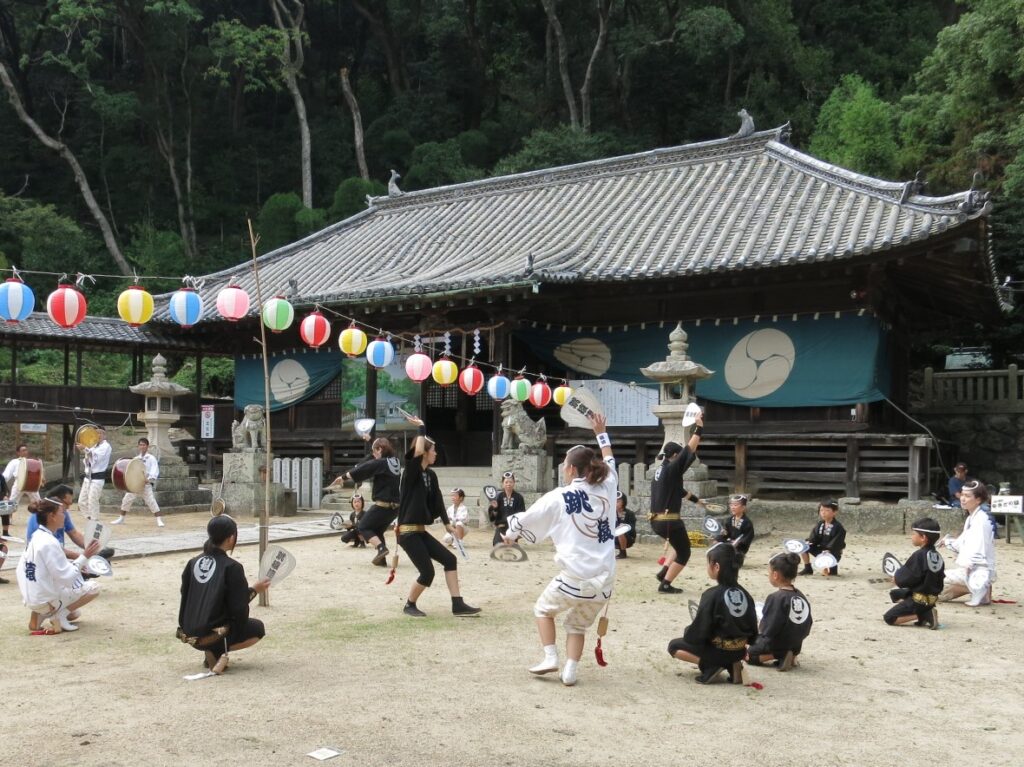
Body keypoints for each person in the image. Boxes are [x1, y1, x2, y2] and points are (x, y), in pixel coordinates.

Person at [503, 414, 617, 687]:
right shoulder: (609, 486)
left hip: (574, 579)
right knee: (577, 625)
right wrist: (601, 432)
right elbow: (610, 460)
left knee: (543, 610)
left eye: (564, 464)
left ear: (570, 469)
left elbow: (526, 518)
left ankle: (551, 656)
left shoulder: (558, 496)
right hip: (604, 581)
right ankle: (570, 671)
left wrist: (509, 535)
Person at [397, 416, 480, 618]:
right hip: (408, 533)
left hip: (420, 532)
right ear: (425, 452)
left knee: (449, 559)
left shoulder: (431, 475)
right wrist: (422, 428)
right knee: (427, 573)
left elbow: (438, 503)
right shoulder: (411, 473)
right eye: (433, 450)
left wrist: (446, 524)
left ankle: (457, 604)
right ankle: (409, 604)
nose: (436, 453)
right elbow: (416, 452)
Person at [177, 516, 271, 674]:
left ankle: (211, 648)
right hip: (212, 635)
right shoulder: (232, 567)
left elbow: (184, 593)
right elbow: (238, 609)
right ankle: (216, 649)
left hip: (188, 631)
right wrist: (254, 590)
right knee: (257, 628)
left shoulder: (193, 562)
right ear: (232, 537)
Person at [667, 543, 757, 684]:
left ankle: (710, 665)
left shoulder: (712, 595)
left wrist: (688, 633)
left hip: (718, 650)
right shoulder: (746, 594)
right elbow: (753, 626)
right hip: (739, 650)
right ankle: (732, 664)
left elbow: (700, 630)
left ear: (716, 567)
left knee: (674, 646)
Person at [15, 497, 101, 633]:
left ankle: (40, 614)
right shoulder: (49, 542)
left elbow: (29, 568)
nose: (65, 515)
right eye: (62, 512)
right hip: (45, 599)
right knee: (94, 588)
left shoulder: (36, 537)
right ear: (52, 516)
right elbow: (66, 577)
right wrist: (84, 556)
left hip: (33, 597)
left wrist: (77, 564)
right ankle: (57, 615)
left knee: (75, 614)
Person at [650, 413, 706, 593]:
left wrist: (697, 501)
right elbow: (688, 451)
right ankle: (665, 584)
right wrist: (699, 427)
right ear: (674, 455)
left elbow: (679, 491)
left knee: (679, 544)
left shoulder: (661, 471)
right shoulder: (673, 467)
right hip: (669, 521)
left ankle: (664, 572)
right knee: (684, 552)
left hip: (656, 521)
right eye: (679, 455)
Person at [747, 552, 812, 670]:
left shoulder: (776, 597)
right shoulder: (800, 595)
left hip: (778, 642)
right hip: (797, 643)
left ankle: (779, 654)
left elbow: (769, 628)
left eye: (769, 573)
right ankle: (792, 655)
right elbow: (808, 622)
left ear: (775, 575)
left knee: (748, 655)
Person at [341, 437, 401, 567]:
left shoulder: (381, 463)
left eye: (374, 452)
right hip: (395, 508)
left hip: (382, 506)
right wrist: (371, 442)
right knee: (377, 531)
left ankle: (381, 549)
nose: (373, 456)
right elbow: (371, 462)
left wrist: (345, 476)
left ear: (380, 449)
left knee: (363, 527)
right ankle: (382, 560)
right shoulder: (395, 461)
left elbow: (366, 467)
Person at [939, 481, 995, 607]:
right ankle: (978, 589)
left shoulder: (980, 520)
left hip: (978, 570)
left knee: (935, 581)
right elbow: (962, 542)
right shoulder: (972, 518)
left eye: (968, 496)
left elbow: (980, 548)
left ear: (978, 499)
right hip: (973, 568)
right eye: (963, 495)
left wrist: (970, 565)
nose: (963, 499)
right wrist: (947, 542)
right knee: (938, 585)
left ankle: (979, 588)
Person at [884, 517, 944, 629]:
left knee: (889, 618)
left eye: (914, 534)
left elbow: (908, 577)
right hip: (931, 597)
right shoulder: (937, 556)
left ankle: (924, 614)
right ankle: (924, 612)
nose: (911, 536)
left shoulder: (919, 555)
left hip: (919, 599)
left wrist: (897, 579)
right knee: (895, 594)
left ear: (923, 538)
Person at [113, 437, 163, 527]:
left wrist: (150, 479)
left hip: (145, 484)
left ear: (147, 446)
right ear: (138, 446)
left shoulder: (151, 458)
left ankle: (159, 519)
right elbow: (130, 471)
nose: (142, 446)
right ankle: (121, 518)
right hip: (134, 485)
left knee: (151, 501)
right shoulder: (135, 459)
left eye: (144, 445)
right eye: (140, 445)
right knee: (126, 500)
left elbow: (154, 470)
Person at [800, 499, 846, 576]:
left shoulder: (838, 527)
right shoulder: (820, 524)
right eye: (821, 510)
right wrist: (809, 542)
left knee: (832, 572)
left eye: (827, 510)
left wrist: (828, 549)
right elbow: (814, 537)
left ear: (834, 512)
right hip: (820, 548)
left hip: (833, 551)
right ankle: (807, 568)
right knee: (803, 547)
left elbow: (837, 542)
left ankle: (832, 568)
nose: (823, 513)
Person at [77, 425, 112, 521]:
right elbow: (88, 460)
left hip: (97, 479)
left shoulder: (106, 446)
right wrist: (85, 449)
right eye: (97, 433)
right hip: (88, 477)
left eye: (101, 433)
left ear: (105, 435)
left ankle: (94, 521)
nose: (99, 435)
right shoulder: (92, 445)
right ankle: (90, 520)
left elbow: (96, 457)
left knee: (93, 501)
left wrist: (85, 448)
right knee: (81, 502)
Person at [715, 494, 755, 567]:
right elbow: (726, 533)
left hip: (739, 547)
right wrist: (721, 536)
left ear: (743, 507)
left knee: (734, 560)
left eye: (735, 505)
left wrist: (739, 542)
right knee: (717, 542)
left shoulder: (747, 522)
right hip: (729, 543)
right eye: (731, 505)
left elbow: (748, 536)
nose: (732, 507)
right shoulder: (729, 520)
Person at [489, 471, 525, 545]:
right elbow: (492, 517)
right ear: (503, 483)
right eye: (506, 482)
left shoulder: (519, 497)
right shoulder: (498, 497)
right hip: (501, 526)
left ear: (514, 483)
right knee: (497, 545)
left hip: (513, 528)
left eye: (510, 482)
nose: (508, 484)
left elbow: (522, 514)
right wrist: (495, 508)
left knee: (510, 546)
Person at [614, 491, 637, 559]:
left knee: (620, 531)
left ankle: (623, 553)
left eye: (618, 501)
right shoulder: (611, 513)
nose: (616, 503)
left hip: (628, 537)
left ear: (623, 502)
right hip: (613, 536)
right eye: (614, 501)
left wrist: (625, 527)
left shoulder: (630, 513)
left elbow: (632, 528)